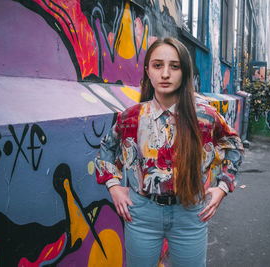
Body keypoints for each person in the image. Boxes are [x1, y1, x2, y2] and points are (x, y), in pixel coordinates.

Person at [95, 37, 244, 267]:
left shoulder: (204, 116)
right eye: (157, 65)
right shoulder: (131, 117)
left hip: (190, 212)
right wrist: (114, 186)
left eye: (174, 66)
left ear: (184, 71)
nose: (165, 74)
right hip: (142, 213)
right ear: (147, 71)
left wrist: (223, 187)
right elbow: (106, 148)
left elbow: (234, 146)